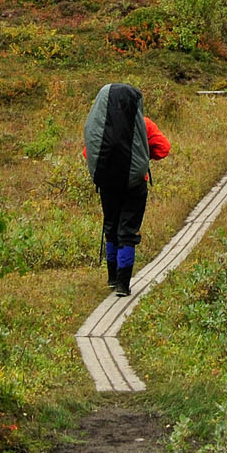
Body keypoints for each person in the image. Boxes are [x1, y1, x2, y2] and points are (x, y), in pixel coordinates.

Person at [82, 82, 172, 296]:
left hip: (107, 185)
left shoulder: (100, 126)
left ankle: (112, 279)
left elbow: (88, 153)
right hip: (135, 185)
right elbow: (164, 149)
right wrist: (140, 156)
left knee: (111, 227)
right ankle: (123, 284)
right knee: (127, 231)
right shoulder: (144, 124)